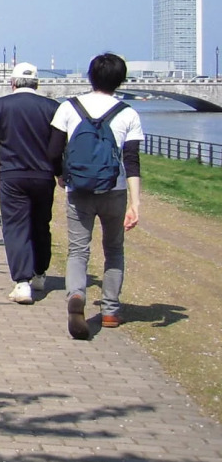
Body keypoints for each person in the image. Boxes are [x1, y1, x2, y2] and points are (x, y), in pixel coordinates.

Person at [48, 53, 143, 340]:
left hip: (79, 189)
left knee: (78, 250)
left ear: (90, 77)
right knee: (113, 249)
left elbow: (53, 151)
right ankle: (111, 310)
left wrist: (61, 175)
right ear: (120, 80)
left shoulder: (68, 107)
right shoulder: (128, 113)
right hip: (114, 191)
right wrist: (136, 203)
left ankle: (76, 295)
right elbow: (132, 161)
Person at [0, 62, 59, 304]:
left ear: (12, 83)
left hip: (12, 173)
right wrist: (59, 169)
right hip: (44, 174)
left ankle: (22, 282)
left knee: (15, 225)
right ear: (37, 83)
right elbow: (59, 144)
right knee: (41, 223)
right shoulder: (52, 108)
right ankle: (41, 272)